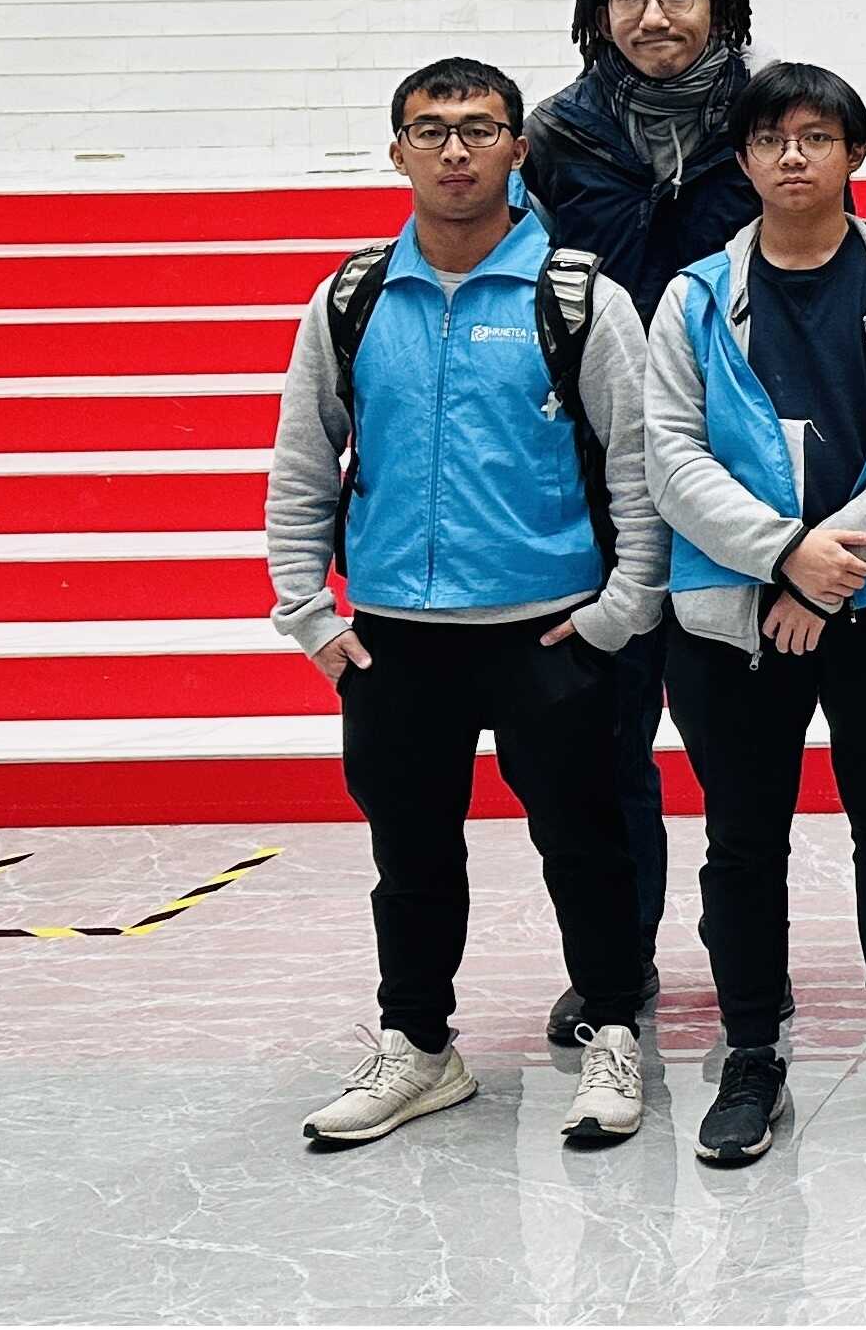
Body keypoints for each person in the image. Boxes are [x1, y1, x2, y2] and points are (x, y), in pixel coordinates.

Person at [271, 59, 662, 1151]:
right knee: (411, 858)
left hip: (550, 631)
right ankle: (418, 1045)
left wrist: (622, 608)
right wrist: (311, 615)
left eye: (479, 128)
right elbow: (304, 459)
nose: (454, 150)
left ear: (517, 150)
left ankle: (612, 1032)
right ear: (396, 150)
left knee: (585, 846)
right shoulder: (352, 298)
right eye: (430, 129)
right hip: (395, 639)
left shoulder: (578, 296)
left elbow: (637, 462)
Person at [644, 62, 866, 1167]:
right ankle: (750, 1051)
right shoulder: (692, 297)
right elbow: (671, 452)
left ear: (853, 153)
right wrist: (784, 556)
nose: (793, 155)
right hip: (735, 613)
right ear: (741, 159)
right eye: (772, 137)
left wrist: (825, 577)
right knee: (741, 838)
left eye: (816, 136)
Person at [519, 0, 764, 1046]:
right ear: (598, 12)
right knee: (605, 745)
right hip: (600, 482)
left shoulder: (771, 122)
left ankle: (748, 953)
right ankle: (617, 960)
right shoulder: (553, 140)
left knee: (737, 746)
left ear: (720, 5)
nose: (653, 15)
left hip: (738, 477)